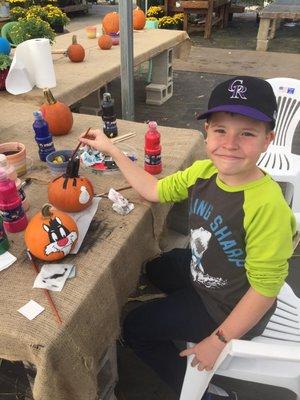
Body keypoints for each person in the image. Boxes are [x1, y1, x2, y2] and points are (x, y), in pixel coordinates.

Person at [79, 76, 296, 400]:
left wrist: (217, 341)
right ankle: (183, 309)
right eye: (221, 130)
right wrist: (111, 149)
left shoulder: (267, 207)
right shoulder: (203, 172)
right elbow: (153, 190)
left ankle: (204, 394)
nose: (231, 143)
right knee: (155, 268)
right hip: (209, 274)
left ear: (268, 140)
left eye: (247, 133)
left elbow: (265, 290)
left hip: (228, 308)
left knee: (136, 328)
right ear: (206, 133)